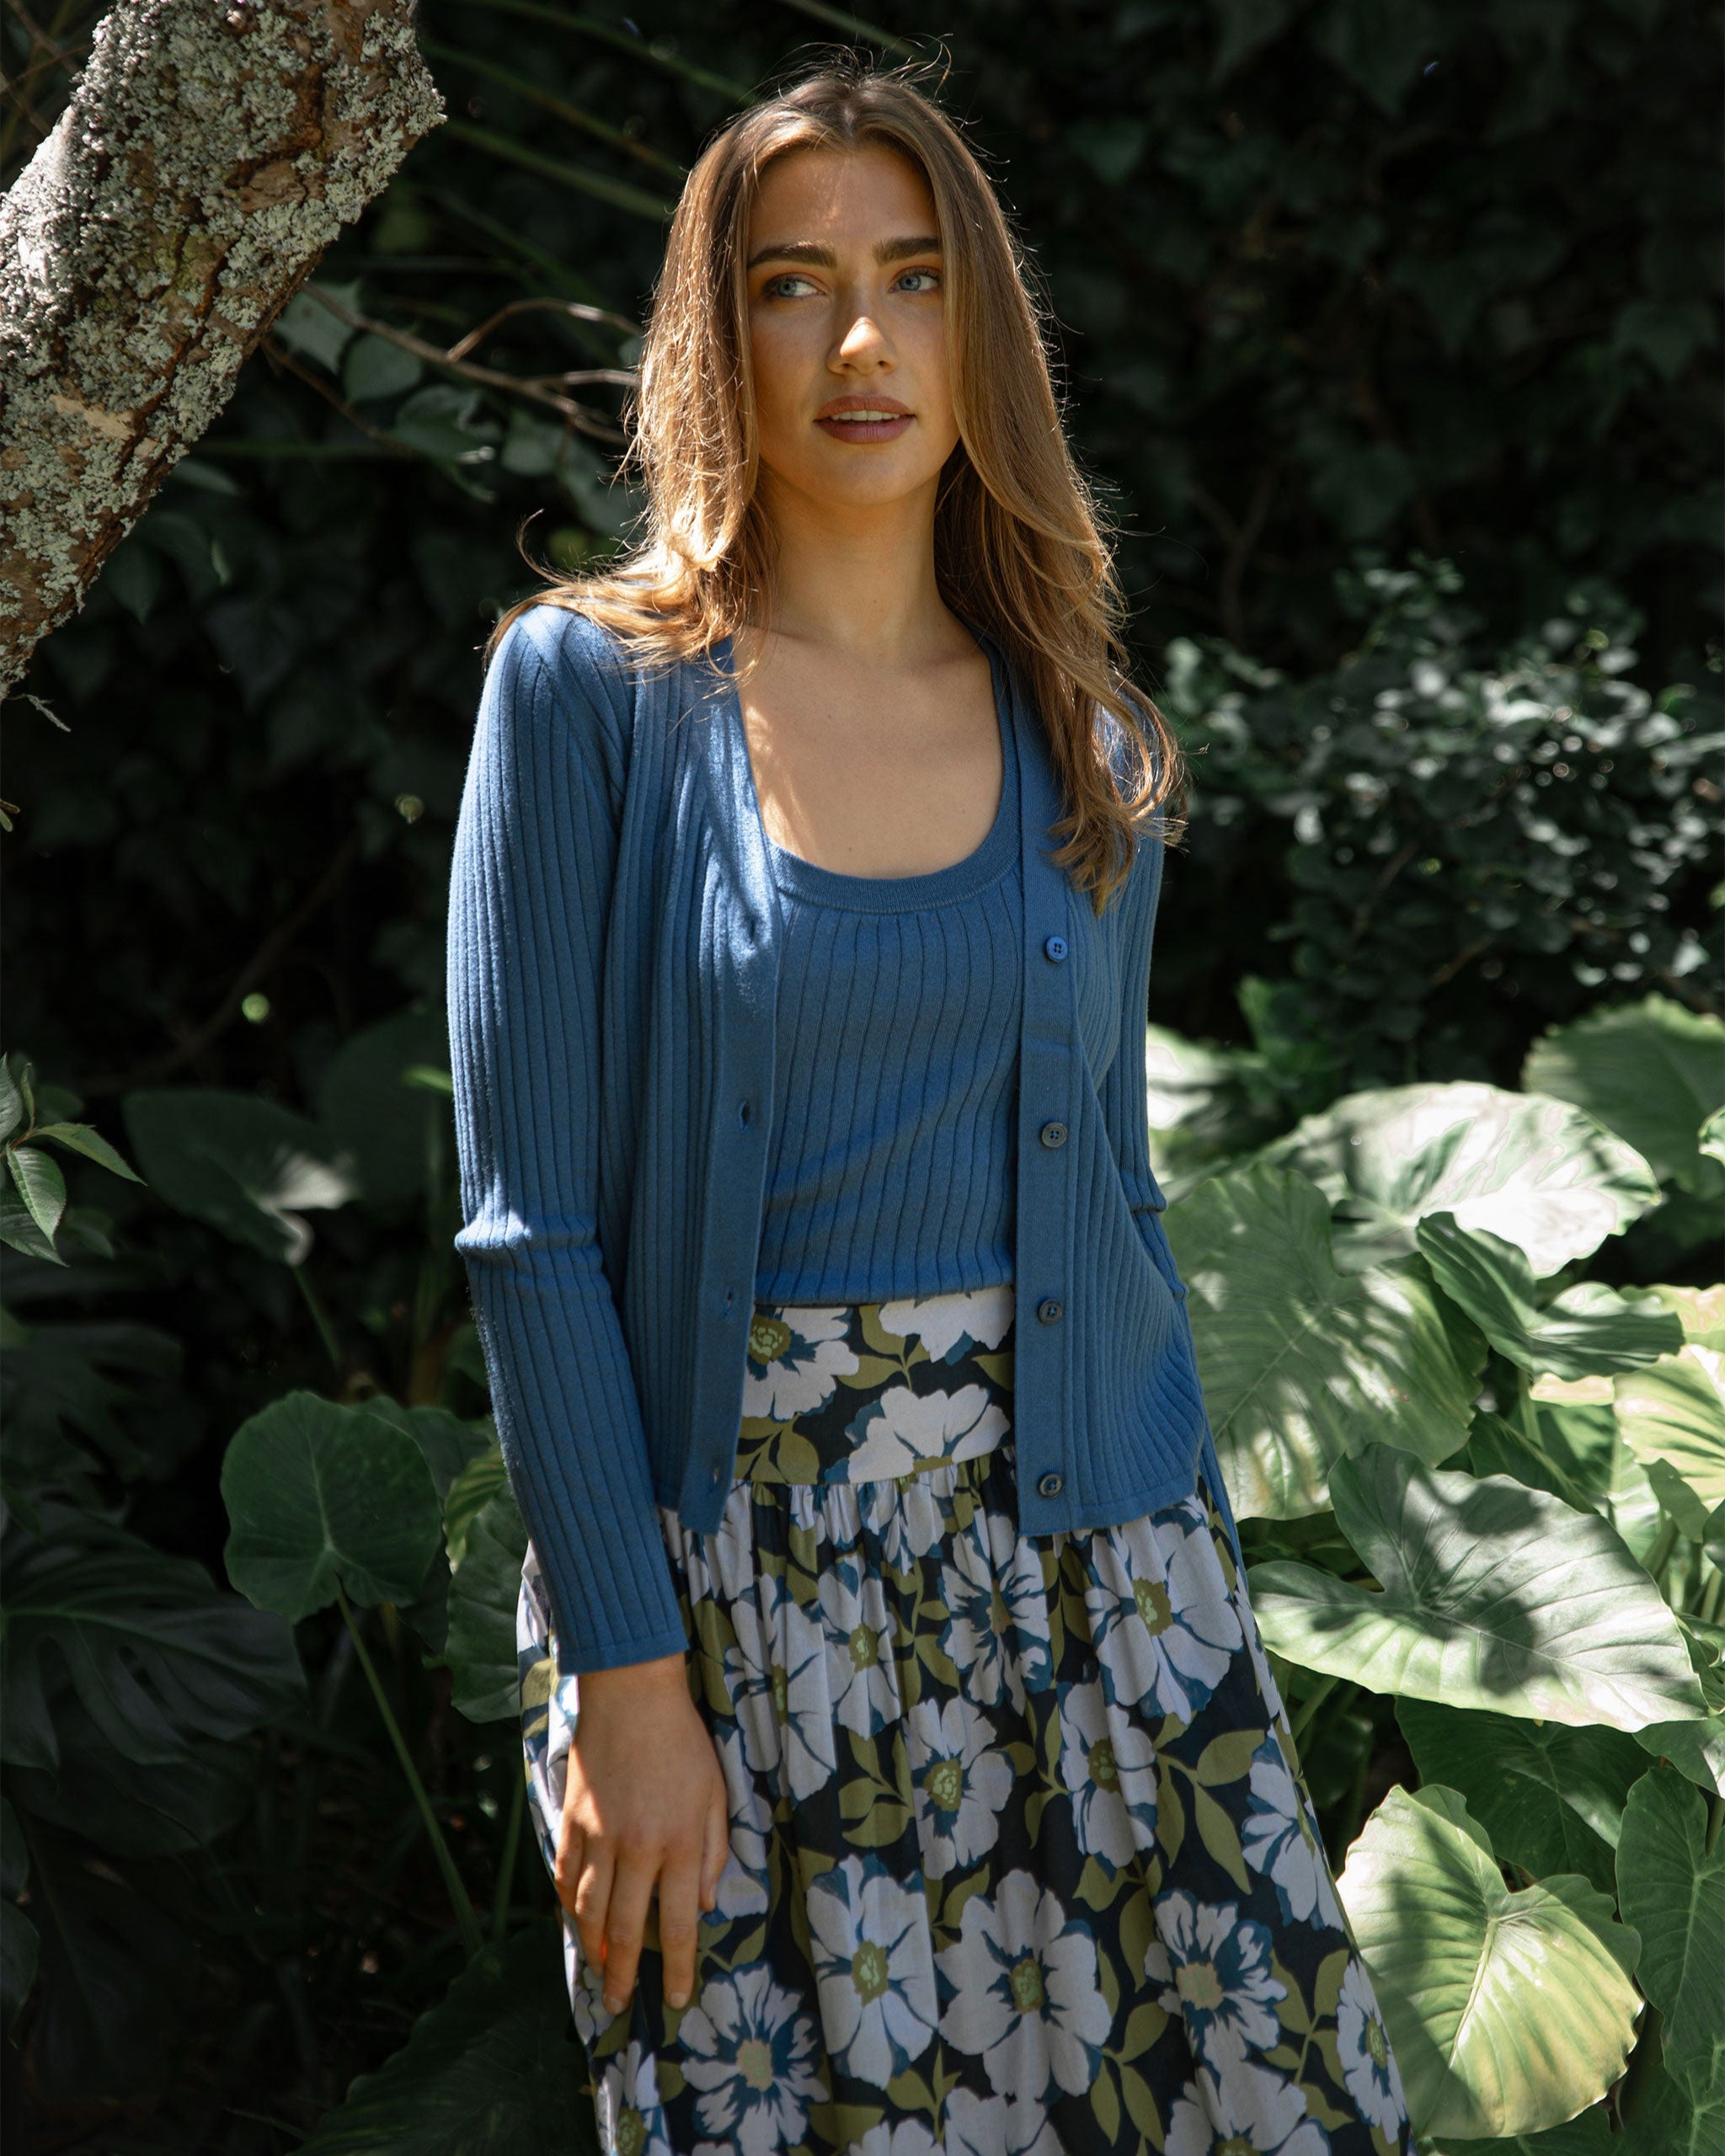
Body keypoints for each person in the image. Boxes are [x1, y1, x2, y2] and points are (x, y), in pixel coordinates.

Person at [447, 57, 1415, 2156]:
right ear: (722, 338)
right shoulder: (586, 698)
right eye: (793, 285)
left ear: (987, 327)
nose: (861, 340)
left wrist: (1194, 1613)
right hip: (735, 1592)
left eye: (911, 278)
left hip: (1098, 1572)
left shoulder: (1083, 732)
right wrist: (627, 1670)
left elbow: (1120, 1205)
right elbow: (533, 1233)